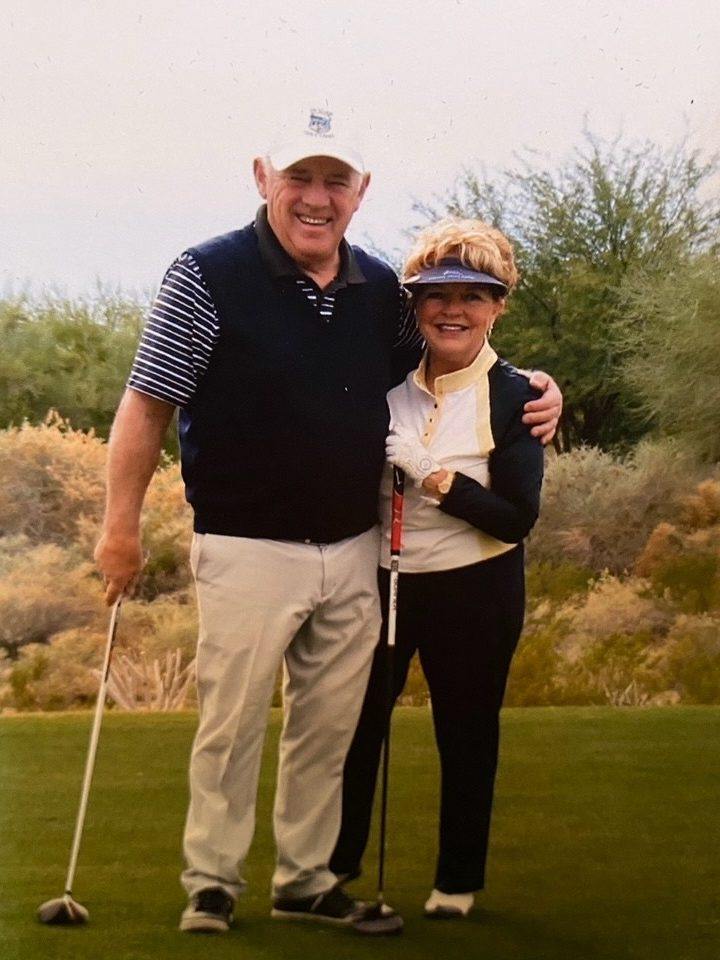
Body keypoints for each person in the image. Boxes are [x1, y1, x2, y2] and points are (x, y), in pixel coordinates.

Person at [93, 109, 562, 933]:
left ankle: (307, 881)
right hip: (245, 544)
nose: (317, 198)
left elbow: (444, 358)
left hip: (353, 548)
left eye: (334, 182)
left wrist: (536, 388)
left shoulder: (381, 288)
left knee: (329, 728)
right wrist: (118, 529)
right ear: (263, 178)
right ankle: (212, 881)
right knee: (231, 723)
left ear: (360, 193)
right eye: (299, 178)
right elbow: (147, 403)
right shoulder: (206, 273)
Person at [331, 218, 543, 919]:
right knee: (356, 726)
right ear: (415, 306)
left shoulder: (517, 396)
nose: (453, 310)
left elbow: (516, 518)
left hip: (477, 584)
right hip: (386, 577)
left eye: (473, 295)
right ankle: (332, 870)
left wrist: (431, 476)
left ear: (498, 305)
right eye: (435, 295)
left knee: (467, 727)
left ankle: (456, 881)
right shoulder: (386, 382)